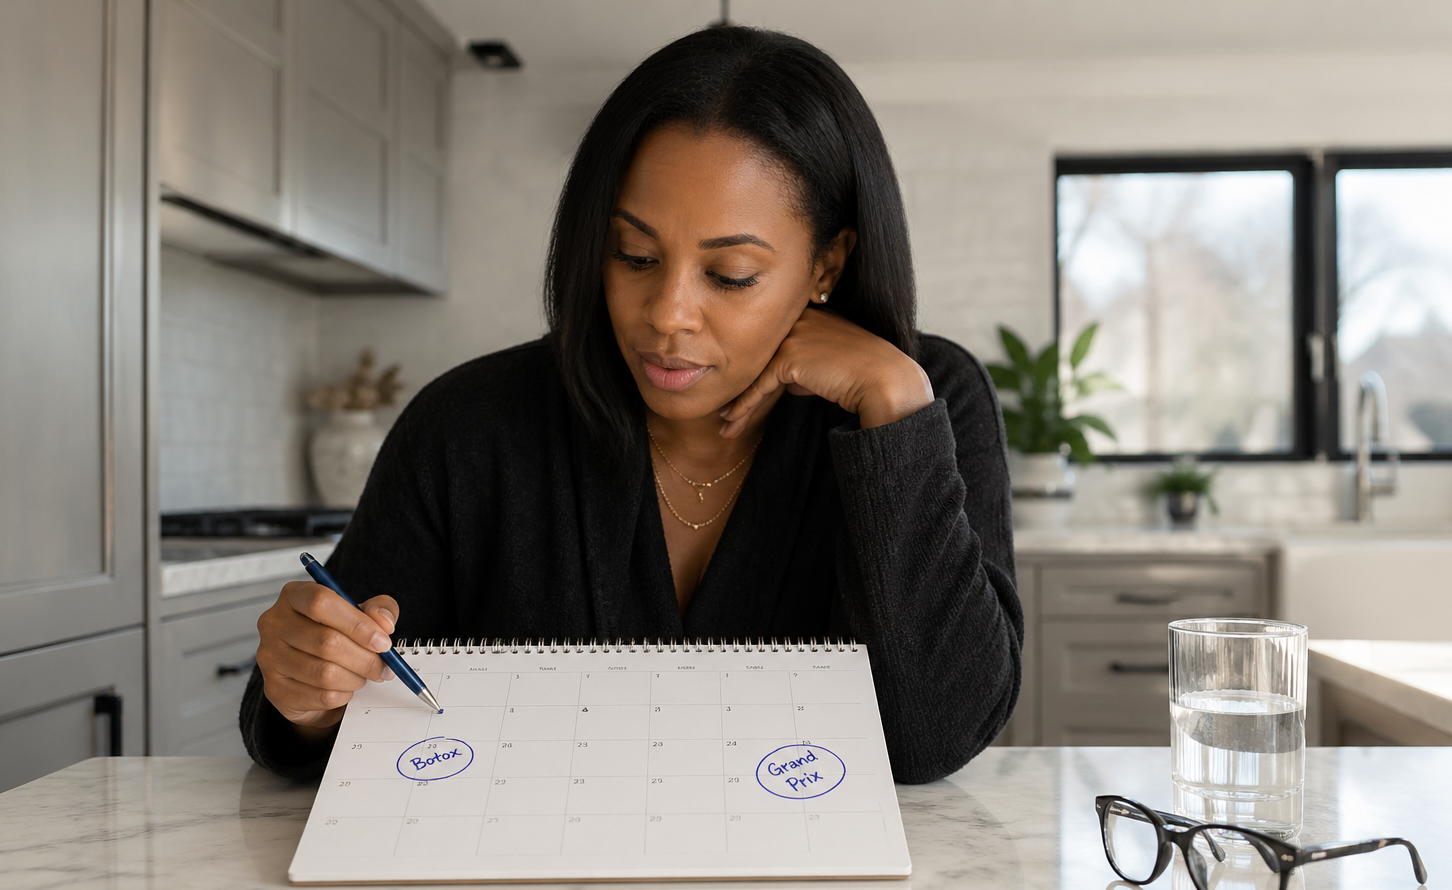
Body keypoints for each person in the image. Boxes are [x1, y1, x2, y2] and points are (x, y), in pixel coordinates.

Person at [241, 25, 1022, 786]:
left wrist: (894, 409)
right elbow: (331, 700)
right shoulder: (467, 426)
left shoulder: (925, 398)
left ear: (827, 263)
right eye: (636, 256)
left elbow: (933, 738)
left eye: (731, 274)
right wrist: (311, 692)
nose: (667, 316)